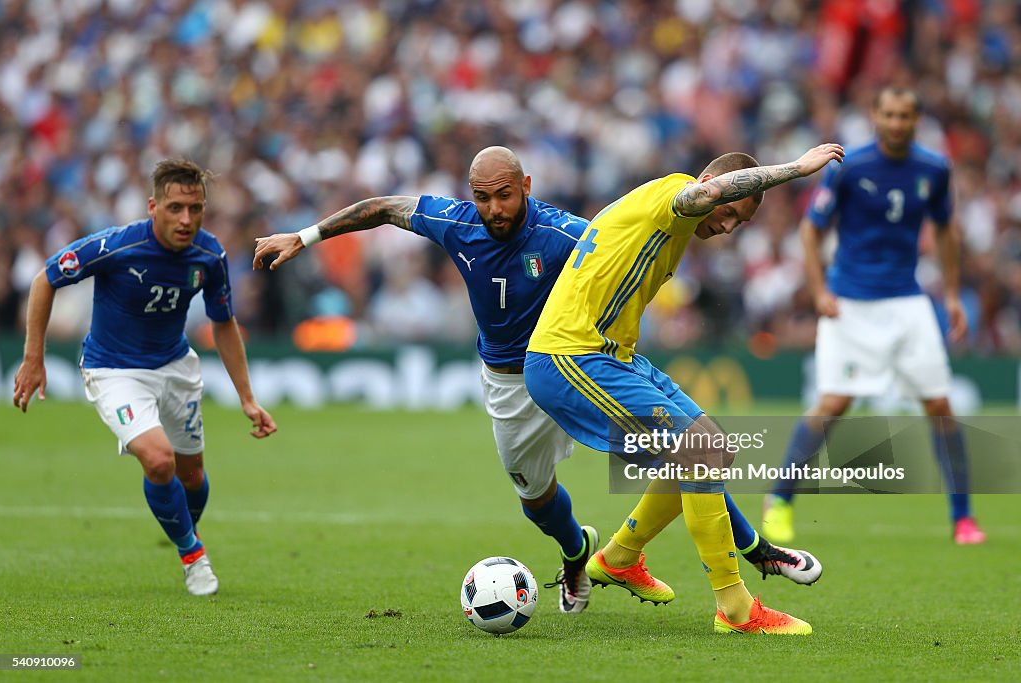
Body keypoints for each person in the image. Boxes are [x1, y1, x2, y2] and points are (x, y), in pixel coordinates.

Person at [253, 146, 822, 616]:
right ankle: (581, 551)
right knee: (538, 498)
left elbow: (617, 240)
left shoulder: (565, 231)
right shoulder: (457, 222)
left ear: (525, 186)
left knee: (696, 450)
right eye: (483, 197)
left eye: (505, 194)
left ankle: (730, 574)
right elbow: (381, 207)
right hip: (518, 381)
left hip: (582, 363)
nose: (494, 208)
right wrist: (300, 239)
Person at [525, 142, 845, 634]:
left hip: (612, 356)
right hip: (570, 356)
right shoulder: (674, 199)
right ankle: (736, 610)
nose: (730, 227)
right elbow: (707, 194)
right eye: (732, 213)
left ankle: (620, 558)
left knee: (709, 445)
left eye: (742, 223)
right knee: (700, 450)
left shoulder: (666, 214)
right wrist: (794, 171)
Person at [13, 159, 277, 596]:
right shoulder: (117, 246)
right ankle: (193, 556)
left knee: (192, 477)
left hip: (176, 367)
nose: (186, 219)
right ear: (153, 206)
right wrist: (33, 356)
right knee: (158, 460)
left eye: (195, 209)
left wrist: (247, 398)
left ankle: (183, 534)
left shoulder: (210, 255)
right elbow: (46, 278)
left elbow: (224, 323)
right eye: (175, 208)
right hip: (114, 370)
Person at [762, 86, 986, 546]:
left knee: (941, 407)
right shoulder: (851, 167)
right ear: (875, 116)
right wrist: (820, 290)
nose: (897, 123)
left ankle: (963, 517)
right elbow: (810, 229)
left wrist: (952, 295)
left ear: (916, 119)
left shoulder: (934, 169)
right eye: (889, 114)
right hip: (851, 301)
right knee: (833, 405)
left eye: (905, 115)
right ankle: (780, 500)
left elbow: (944, 230)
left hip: (907, 300)